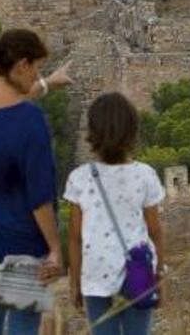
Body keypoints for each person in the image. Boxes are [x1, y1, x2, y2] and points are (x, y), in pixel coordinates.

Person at [0, 28, 72, 335]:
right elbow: (40, 200)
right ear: (22, 65)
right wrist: (54, 249)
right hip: (23, 242)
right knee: (24, 323)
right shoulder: (31, 122)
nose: (37, 75)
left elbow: (4, 106)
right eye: (36, 68)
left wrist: (47, 84)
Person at [64, 93, 167, 335]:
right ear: (132, 131)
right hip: (139, 272)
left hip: (95, 275)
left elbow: (75, 237)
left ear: (92, 133)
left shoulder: (79, 178)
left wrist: (74, 282)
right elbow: (155, 232)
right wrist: (160, 272)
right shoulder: (145, 175)